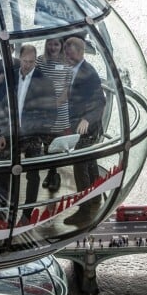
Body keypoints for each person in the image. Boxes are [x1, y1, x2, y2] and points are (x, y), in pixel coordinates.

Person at [0, 44, 56, 226]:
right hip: (10, 133)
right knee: (2, 171)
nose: (27, 65)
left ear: (36, 60)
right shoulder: (10, 77)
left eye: (31, 62)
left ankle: (27, 214)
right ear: (20, 58)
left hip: (33, 135)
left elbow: (51, 112)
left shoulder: (45, 82)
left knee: (33, 176)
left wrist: (41, 136)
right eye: (25, 61)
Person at [63, 36, 106, 226]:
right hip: (78, 126)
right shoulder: (71, 70)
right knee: (89, 162)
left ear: (80, 53)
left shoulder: (88, 73)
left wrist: (87, 119)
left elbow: (100, 101)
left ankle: (85, 209)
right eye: (66, 53)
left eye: (70, 54)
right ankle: (96, 197)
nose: (67, 57)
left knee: (80, 166)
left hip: (88, 129)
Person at [36, 37, 72, 193]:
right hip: (43, 109)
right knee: (45, 143)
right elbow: (34, 82)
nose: (53, 47)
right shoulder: (39, 61)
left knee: (55, 143)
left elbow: (68, 89)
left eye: (56, 44)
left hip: (59, 109)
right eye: (50, 44)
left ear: (61, 45)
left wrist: (55, 104)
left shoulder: (67, 63)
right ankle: (51, 173)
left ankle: (53, 174)